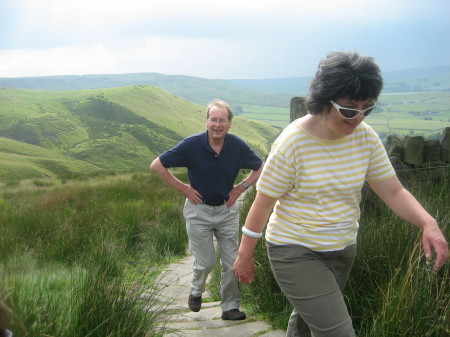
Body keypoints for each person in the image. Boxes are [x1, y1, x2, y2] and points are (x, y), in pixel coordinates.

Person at [233, 51, 448, 336]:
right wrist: (244, 256)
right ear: (324, 101)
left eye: (366, 108)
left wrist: (427, 222)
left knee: (309, 322)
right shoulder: (293, 144)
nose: (358, 117)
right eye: (348, 109)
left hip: (343, 248)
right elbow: (263, 204)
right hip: (294, 251)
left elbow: (394, 191)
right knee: (337, 331)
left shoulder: (366, 137)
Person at [150, 99, 264, 320]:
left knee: (232, 261)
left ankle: (230, 306)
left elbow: (260, 166)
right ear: (207, 122)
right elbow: (157, 165)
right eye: (214, 119)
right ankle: (196, 291)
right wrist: (183, 188)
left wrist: (241, 188)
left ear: (230, 124)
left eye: (223, 120)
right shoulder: (192, 145)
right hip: (197, 211)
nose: (218, 124)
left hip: (227, 210)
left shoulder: (237, 146)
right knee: (206, 262)